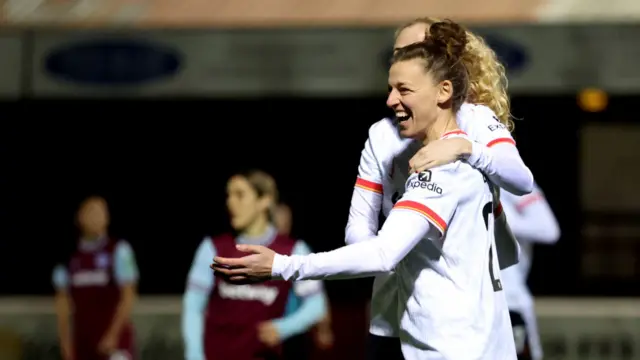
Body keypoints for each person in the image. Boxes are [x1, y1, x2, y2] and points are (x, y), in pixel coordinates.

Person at [213, 21, 517, 360]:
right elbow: (502, 251)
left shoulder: (446, 160)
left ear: (442, 87)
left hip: (449, 344)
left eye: (405, 86)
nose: (391, 100)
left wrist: (282, 265)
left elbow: (384, 252)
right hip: (483, 337)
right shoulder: (440, 150)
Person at [347, 17, 532, 360]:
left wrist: (467, 148)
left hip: (457, 319)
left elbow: (521, 180)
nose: (403, 61)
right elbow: (359, 227)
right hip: (391, 315)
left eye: (415, 51)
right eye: (398, 53)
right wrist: (387, 254)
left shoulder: (475, 119)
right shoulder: (380, 135)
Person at [182, 170, 327, 360]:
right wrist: (194, 355)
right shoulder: (212, 248)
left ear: (264, 201)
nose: (230, 202)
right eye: (229, 195)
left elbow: (317, 305)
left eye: (240, 195)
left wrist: (283, 327)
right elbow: (192, 307)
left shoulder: (293, 250)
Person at [52, 196, 139, 360]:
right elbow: (62, 305)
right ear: (80, 217)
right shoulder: (68, 258)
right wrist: (65, 344)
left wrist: (112, 335)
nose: (97, 217)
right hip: (83, 344)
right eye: (92, 212)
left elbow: (128, 296)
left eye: (101, 212)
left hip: (115, 345)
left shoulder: (119, 251)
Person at [500, 184, 560, 360]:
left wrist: (498, 218)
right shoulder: (446, 179)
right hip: (463, 303)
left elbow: (549, 230)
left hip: (510, 301)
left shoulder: (510, 179)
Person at [273, 203, 335, 360]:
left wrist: (324, 329)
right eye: (280, 219)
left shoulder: (298, 251)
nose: (284, 224)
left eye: (287, 220)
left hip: (293, 335)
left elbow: (316, 297)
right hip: (260, 332)